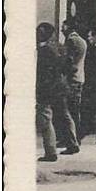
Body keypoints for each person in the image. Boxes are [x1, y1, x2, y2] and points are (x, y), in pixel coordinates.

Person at [36, 23, 78, 161]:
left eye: (39, 32)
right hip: (61, 86)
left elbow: (41, 73)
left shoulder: (43, 51)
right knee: (65, 115)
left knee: (45, 119)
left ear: (43, 33)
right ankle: (73, 144)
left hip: (47, 89)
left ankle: (50, 152)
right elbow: (70, 67)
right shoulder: (60, 47)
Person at [59, 19, 88, 142]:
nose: (62, 29)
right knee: (74, 109)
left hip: (71, 79)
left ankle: (71, 138)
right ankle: (76, 136)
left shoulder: (71, 40)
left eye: (64, 27)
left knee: (68, 110)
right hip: (79, 77)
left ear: (70, 27)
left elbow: (69, 60)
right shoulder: (82, 40)